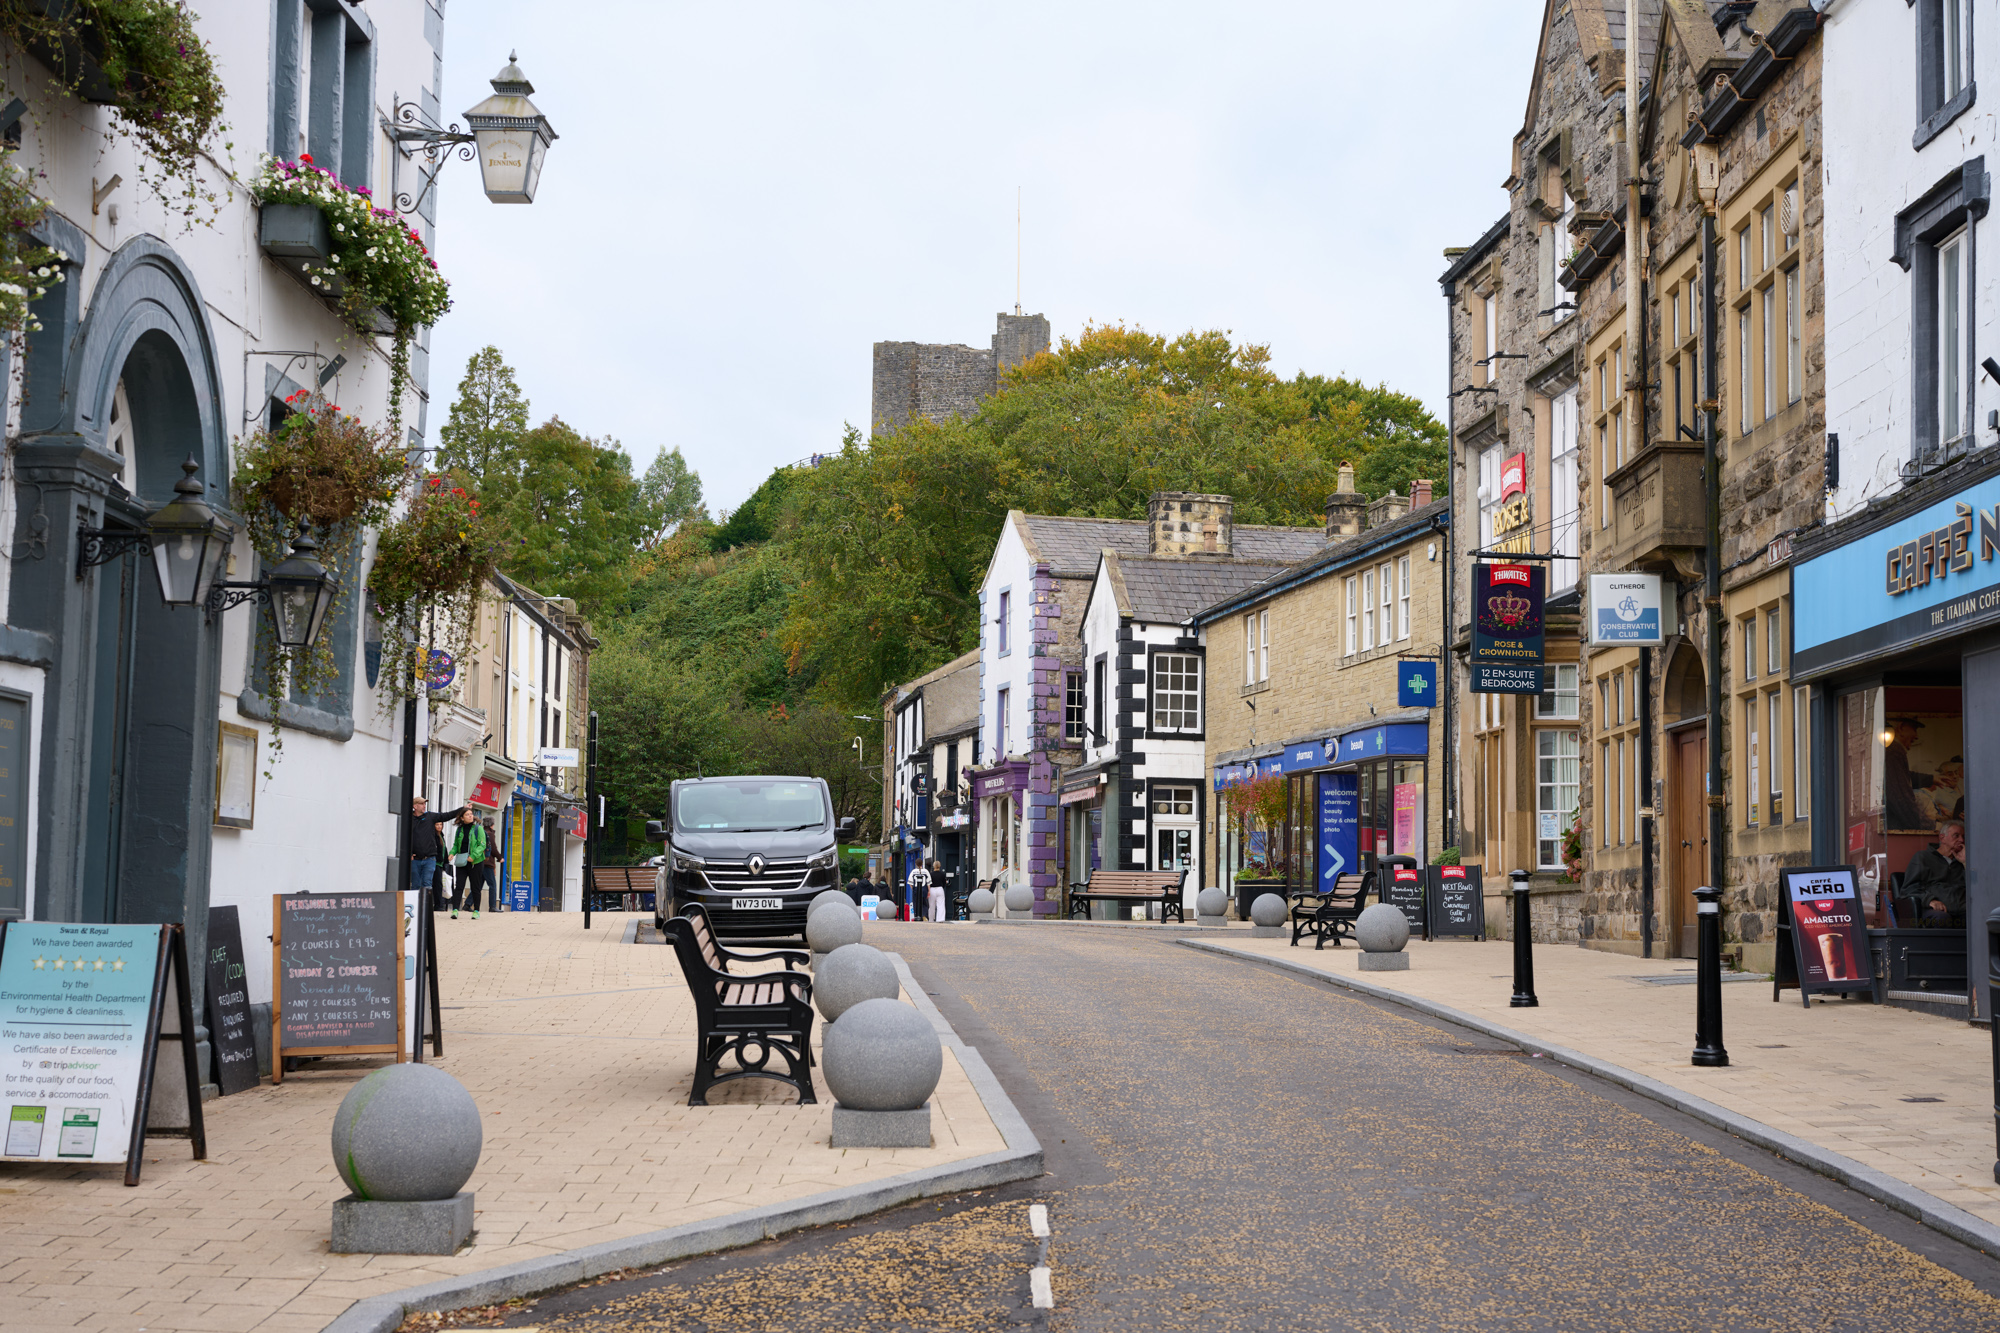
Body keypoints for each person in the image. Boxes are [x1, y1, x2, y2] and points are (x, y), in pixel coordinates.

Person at [1902, 819, 1966, 926]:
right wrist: (1930, 900)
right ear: (1942, 838)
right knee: (1942, 918)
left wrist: (1965, 863)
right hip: (1935, 911)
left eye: (1963, 836)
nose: (1962, 840)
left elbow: (1976, 888)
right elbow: (1909, 889)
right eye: (1956, 835)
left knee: (1983, 917)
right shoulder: (1923, 858)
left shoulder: (1964, 861)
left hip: (1962, 910)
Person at [408, 795, 469, 903]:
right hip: (415, 859)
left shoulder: (430, 816)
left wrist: (462, 808)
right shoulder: (409, 820)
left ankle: (426, 911)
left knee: (427, 884)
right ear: (415, 806)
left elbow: (446, 816)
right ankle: (415, 911)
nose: (424, 806)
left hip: (429, 859)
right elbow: (405, 837)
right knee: (415, 885)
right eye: (422, 804)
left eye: (425, 803)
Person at [1883, 717, 1936, 831]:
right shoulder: (1893, 750)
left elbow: (1901, 777)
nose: (1916, 736)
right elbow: (1900, 795)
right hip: (1895, 826)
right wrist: (1925, 826)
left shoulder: (1888, 750)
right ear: (1901, 727)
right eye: (1914, 728)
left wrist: (1932, 779)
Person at [449, 808, 492, 919]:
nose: (470, 816)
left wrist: (473, 856)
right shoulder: (459, 830)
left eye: (471, 814)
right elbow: (455, 845)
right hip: (462, 862)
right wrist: (452, 853)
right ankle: (455, 910)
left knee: (475, 887)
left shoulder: (478, 829)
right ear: (462, 818)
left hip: (475, 862)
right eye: (467, 815)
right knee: (459, 886)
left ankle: (476, 911)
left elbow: (482, 845)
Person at [906, 859, 931, 924]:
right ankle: (924, 915)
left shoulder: (913, 871)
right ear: (922, 863)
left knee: (916, 903)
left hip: (916, 889)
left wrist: (913, 889)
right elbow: (928, 883)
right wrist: (929, 891)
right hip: (924, 889)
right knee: (924, 903)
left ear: (916, 864)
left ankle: (917, 915)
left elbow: (910, 882)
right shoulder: (926, 871)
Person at [926, 859, 947, 923]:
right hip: (940, 889)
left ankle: (931, 919)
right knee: (941, 905)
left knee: (931, 905)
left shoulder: (930, 874)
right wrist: (941, 887)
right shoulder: (942, 874)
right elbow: (944, 883)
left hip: (932, 889)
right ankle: (940, 919)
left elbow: (928, 883)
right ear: (940, 866)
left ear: (933, 866)